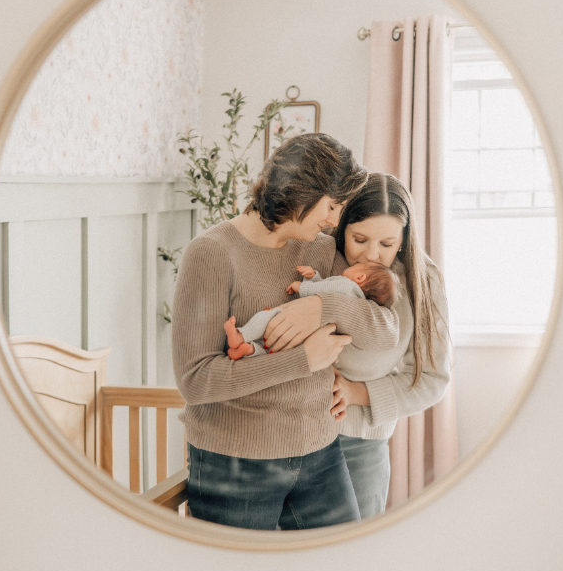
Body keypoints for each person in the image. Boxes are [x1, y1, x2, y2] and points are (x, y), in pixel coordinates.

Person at [171, 133, 400, 531]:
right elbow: (196, 380)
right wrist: (303, 360)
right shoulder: (210, 253)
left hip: (322, 451)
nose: (334, 219)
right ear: (302, 191)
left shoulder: (321, 250)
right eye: (332, 205)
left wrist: (322, 306)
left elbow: (384, 331)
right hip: (235, 462)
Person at [328, 173, 453, 519]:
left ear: (404, 239)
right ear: (341, 228)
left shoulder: (422, 280)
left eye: (386, 244)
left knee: (354, 559)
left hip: (359, 444)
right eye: (359, 239)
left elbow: (432, 379)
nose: (370, 255)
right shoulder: (320, 255)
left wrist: (356, 393)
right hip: (290, 432)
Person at [224, 261, 398, 360]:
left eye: (359, 265)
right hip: (308, 337)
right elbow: (327, 290)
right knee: (276, 348)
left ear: (360, 277)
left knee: (270, 314)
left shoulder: (347, 284)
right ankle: (250, 350)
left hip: (295, 319)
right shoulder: (356, 300)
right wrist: (314, 277)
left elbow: (325, 290)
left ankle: (240, 336)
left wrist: (301, 287)